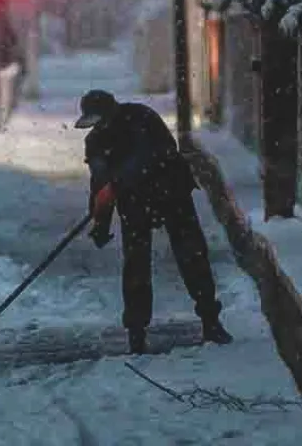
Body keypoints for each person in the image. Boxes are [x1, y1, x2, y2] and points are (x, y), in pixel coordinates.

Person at [75, 89, 233, 354]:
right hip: (134, 203)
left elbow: (159, 152)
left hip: (172, 191)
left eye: (102, 120)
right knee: (136, 263)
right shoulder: (96, 141)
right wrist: (101, 221)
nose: (101, 126)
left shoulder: (143, 117)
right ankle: (136, 332)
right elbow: (100, 184)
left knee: (192, 256)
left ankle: (210, 320)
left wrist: (121, 179)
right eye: (96, 123)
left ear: (112, 111)